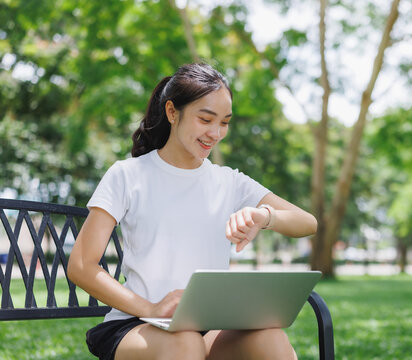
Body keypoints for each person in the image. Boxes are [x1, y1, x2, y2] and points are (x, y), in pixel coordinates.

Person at [67, 63, 317, 360]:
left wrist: (264, 216)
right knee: (185, 342)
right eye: (205, 119)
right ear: (172, 113)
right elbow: (81, 266)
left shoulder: (229, 181)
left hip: (208, 327)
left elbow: (307, 223)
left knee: (270, 337)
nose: (215, 132)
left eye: (224, 122)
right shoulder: (128, 175)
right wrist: (152, 308)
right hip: (138, 325)